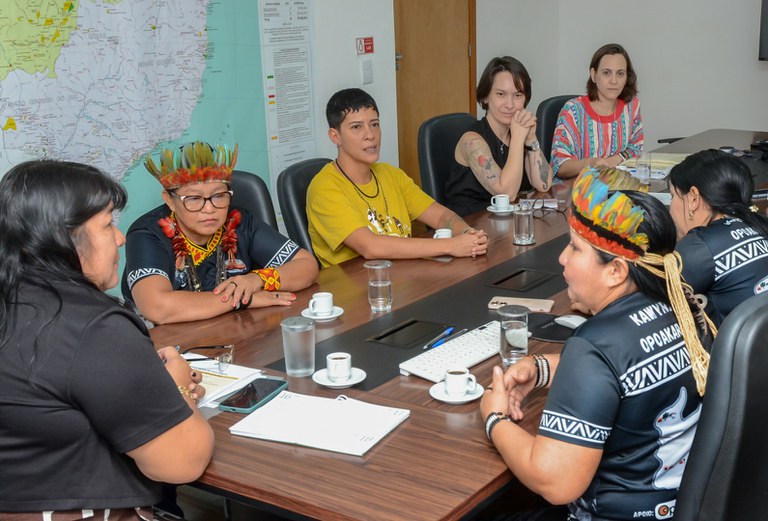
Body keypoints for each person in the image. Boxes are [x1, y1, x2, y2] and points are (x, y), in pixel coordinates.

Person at [480, 168, 715, 521]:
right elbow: (628, 366)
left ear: (616, 271)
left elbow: (557, 482)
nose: (562, 258)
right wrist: (545, 368)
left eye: (574, 248)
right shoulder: (684, 309)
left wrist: (495, 417)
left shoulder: (593, 346)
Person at [0, 160, 214, 518]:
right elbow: (182, 463)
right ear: (63, 238)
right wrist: (176, 384)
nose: (119, 237)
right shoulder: (94, 326)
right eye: (107, 224)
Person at [122, 141, 319, 324]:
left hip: (234, 333)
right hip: (168, 347)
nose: (209, 209)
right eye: (193, 199)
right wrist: (242, 299)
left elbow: (307, 266)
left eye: (219, 196)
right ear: (170, 200)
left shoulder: (241, 221)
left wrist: (257, 280)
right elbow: (158, 308)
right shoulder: (146, 234)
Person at [307, 88, 488, 268]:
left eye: (374, 124)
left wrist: (468, 235)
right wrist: (451, 246)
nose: (370, 135)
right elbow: (370, 247)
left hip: (402, 277)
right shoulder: (324, 188)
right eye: (356, 127)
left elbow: (442, 217)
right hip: (359, 288)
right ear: (335, 136)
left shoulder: (391, 174)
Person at [668, 149, 768, 325]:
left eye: (673, 196)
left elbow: (654, 307)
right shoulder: (760, 222)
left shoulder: (700, 248)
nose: (671, 206)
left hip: (731, 351)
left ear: (693, 198)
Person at [445, 56, 553, 216]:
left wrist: (531, 139)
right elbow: (507, 195)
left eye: (518, 96)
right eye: (501, 94)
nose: (510, 104)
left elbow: (543, 185)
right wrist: (518, 138)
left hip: (505, 224)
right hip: (470, 227)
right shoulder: (472, 141)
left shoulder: (518, 132)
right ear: (485, 97)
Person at [550, 43, 644, 179]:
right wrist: (588, 164)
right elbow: (559, 166)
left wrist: (612, 161)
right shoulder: (573, 110)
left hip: (614, 187)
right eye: (606, 73)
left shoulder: (632, 106)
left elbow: (636, 150)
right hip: (574, 191)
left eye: (620, 74)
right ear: (593, 75)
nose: (614, 81)